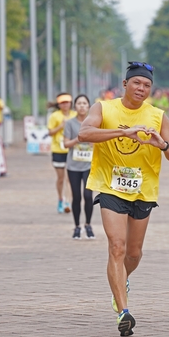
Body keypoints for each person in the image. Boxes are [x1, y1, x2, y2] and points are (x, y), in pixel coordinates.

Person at [79, 61, 169, 337]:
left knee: (133, 254)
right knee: (117, 246)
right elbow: (84, 133)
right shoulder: (104, 108)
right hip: (111, 187)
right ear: (125, 84)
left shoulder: (158, 116)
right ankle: (123, 312)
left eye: (147, 85)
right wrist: (122, 131)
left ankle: (121, 282)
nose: (141, 88)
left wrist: (162, 144)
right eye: (137, 82)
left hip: (143, 190)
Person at [63, 95, 95, 240]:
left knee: (88, 196)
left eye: (84, 103)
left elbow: (99, 142)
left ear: (89, 106)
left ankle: (88, 224)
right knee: (76, 196)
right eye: (79, 103)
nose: (82, 106)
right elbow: (66, 144)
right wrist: (78, 139)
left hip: (89, 164)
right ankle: (77, 226)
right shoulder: (70, 123)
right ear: (75, 106)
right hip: (73, 166)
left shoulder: (94, 123)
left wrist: (92, 141)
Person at [47, 93, 76, 214]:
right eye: (62, 103)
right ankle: (60, 199)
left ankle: (67, 202)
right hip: (58, 150)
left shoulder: (75, 115)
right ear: (59, 104)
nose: (65, 105)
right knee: (61, 179)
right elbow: (50, 132)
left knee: (69, 178)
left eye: (67, 102)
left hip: (72, 150)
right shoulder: (54, 116)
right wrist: (61, 126)